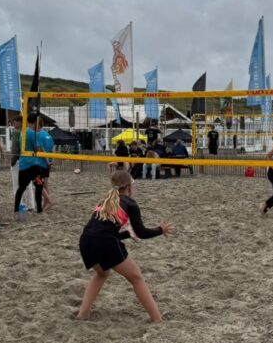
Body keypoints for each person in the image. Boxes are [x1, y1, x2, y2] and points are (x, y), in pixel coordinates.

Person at [76, 170, 175, 323]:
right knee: (136, 277)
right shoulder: (130, 203)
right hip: (104, 243)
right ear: (129, 187)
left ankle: (82, 314)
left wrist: (127, 234)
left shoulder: (104, 202)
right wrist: (160, 230)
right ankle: (157, 320)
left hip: (85, 241)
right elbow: (142, 233)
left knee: (102, 274)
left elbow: (102, 231)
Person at [13, 120, 46, 214]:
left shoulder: (22, 132)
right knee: (39, 186)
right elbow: (36, 148)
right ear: (35, 123)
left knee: (21, 188)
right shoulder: (33, 133)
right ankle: (39, 209)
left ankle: (16, 209)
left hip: (23, 165)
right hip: (33, 166)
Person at [36, 123, 54, 208]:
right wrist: (51, 161)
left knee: (38, 183)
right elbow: (53, 149)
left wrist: (47, 162)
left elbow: (41, 149)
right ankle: (45, 204)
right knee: (46, 185)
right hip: (47, 163)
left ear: (38, 125)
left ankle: (49, 201)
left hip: (41, 163)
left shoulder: (38, 135)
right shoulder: (49, 135)